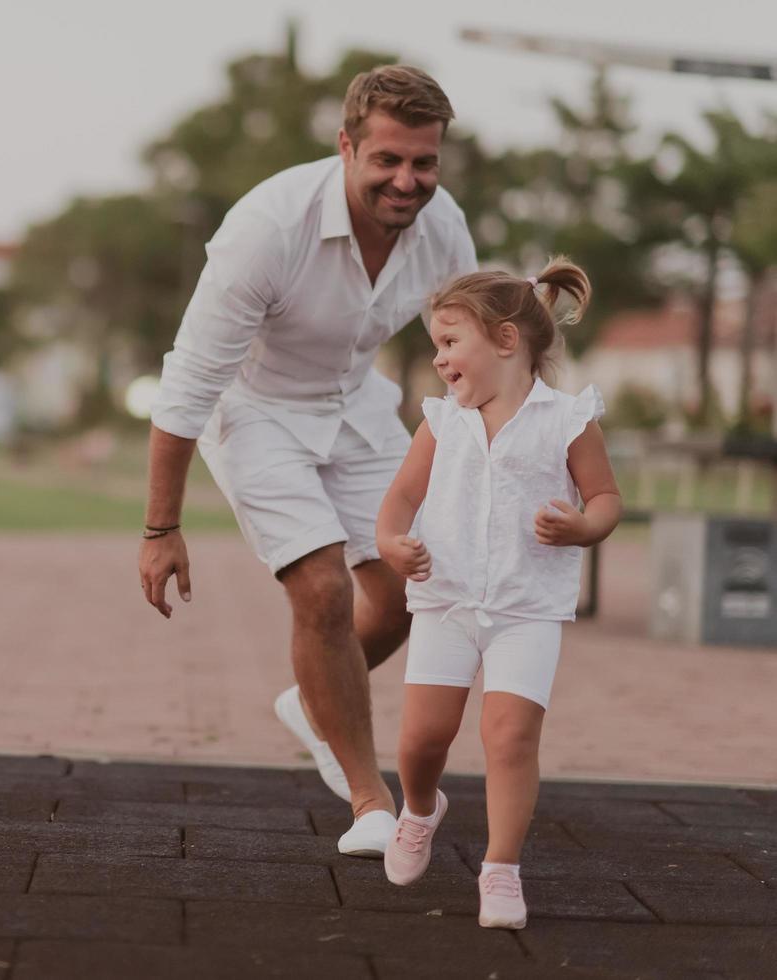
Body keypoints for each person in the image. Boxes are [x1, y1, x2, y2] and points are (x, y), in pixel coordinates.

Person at [138, 65, 477, 857]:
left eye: (423, 163)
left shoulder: (443, 225)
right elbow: (187, 384)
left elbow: (466, 340)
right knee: (322, 587)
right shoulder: (268, 227)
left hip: (355, 404)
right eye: (387, 160)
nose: (407, 180)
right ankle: (368, 801)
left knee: (408, 587)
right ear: (346, 145)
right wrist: (161, 526)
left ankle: (312, 700)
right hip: (253, 409)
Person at [374, 258, 622, 929]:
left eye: (451, 342)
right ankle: (420, 809)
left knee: (509, 736)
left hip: (526, 608)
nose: (439, 358)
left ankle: (501, 868)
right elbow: (399, 500)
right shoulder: (441, 423)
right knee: (422, 738)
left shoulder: (568, 420)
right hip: (447, 602)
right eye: (436, 345)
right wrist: (394, 543)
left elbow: (604, 499)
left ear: (506, 342)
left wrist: (581, 526)